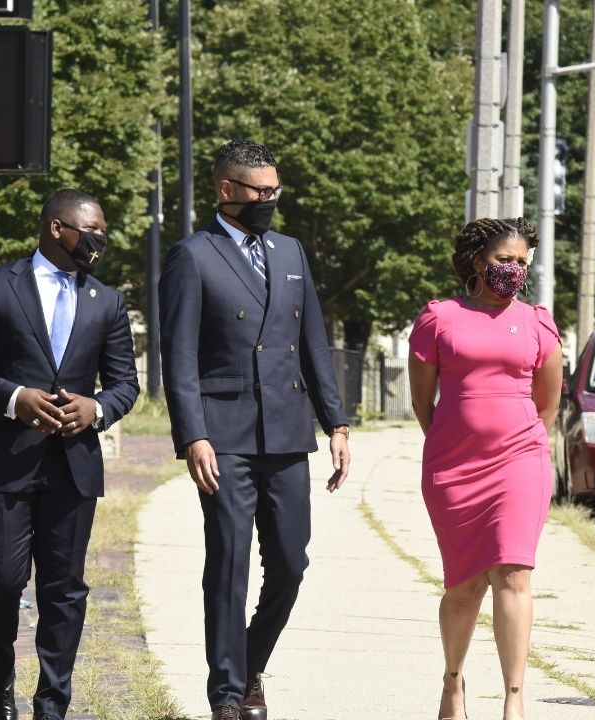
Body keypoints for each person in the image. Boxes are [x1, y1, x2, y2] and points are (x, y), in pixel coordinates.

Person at [159, 138, 351, 720]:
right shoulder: (193, 256)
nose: (270, 200)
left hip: (289, 435)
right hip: (224, 438)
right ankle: (227, 696)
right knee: (230, 561)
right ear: (227, 191)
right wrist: (193, 434)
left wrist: (336, 421)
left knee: (291, 564)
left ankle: (247, 665)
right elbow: (180, 356)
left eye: (275, 190)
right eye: (260, 192)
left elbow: (313, 343)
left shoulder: (290, 252)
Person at [0, 189, 139, 720]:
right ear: (57, 228)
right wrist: (13, 398)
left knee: (64, 588)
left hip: (73, 466)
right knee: (2, 577)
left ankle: (53, 703)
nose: (99, 239)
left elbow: (126, 384)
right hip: (4, 460)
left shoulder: (108, 301)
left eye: (103, 230)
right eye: (91, 229)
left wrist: (95, 410)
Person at [407, 217, 563, 720]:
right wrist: (458, 439)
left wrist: (517, 443)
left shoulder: (538, 321)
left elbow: (548, 406)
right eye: (504, 260)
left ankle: (514, 700)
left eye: (521, 262)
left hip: (521, 461)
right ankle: (453, 682)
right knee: (464, 585)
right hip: (454, 468)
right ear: (479, 262)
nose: (514, 270)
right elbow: (423, 403)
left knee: (513, 573)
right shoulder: (439, 318)